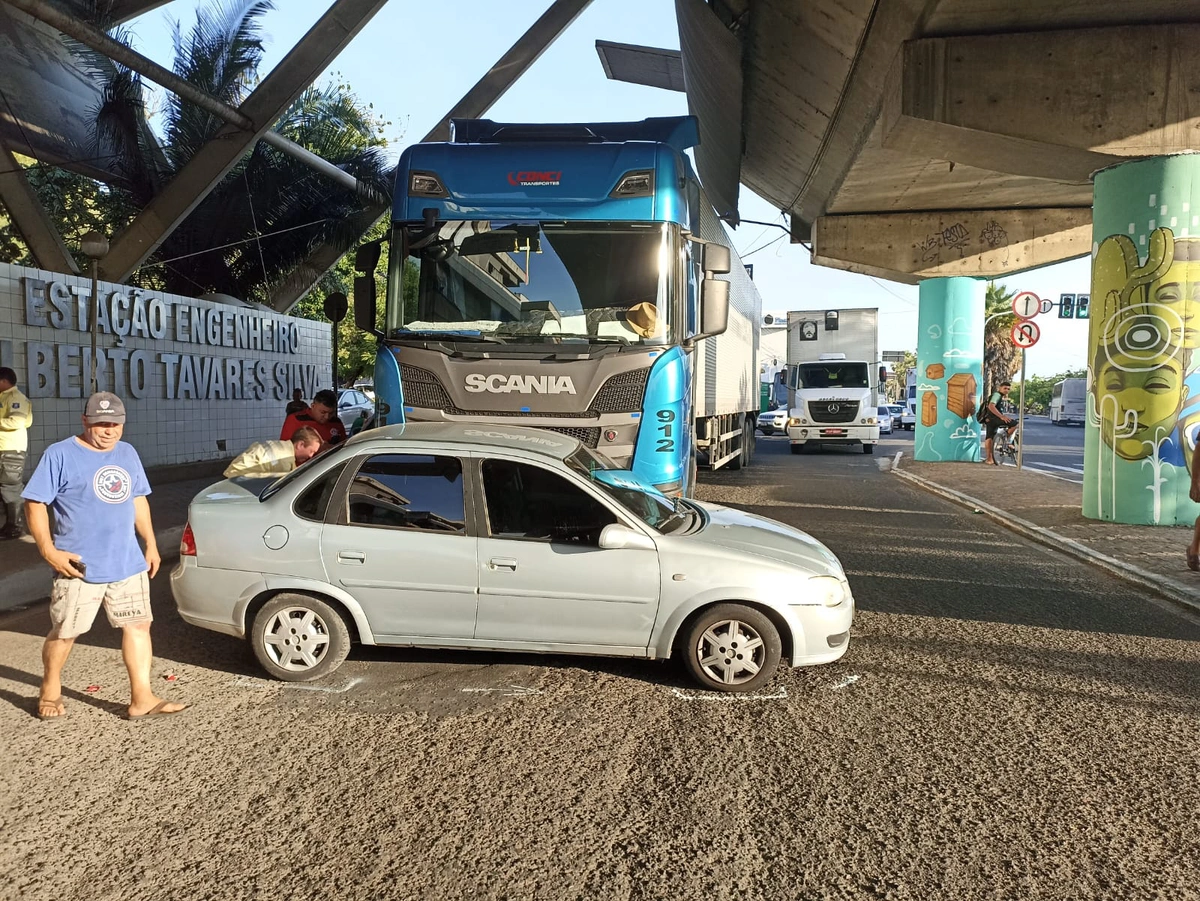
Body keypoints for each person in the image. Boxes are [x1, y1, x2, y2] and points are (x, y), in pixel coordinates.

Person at [23, 392, 186, 721]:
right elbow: (35, 502)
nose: (109, 430)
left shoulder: (127, 453)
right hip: (79, 566)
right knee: (66, 633)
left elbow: (138, 499)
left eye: (115, 424)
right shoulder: (60, 454)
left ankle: (142, 697)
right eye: (101, 424)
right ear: (85, 421)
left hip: (126, 561)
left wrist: (150, 544)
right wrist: (47, 550)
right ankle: (50, 688)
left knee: (139, 626)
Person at [0, 366, 32, 539]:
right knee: (5, 489)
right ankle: (10, 525)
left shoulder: (16, 398)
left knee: (10, 489)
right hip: (3, 449)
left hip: (11, 451)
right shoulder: (3, 397)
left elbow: (17, 422)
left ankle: (15, 527)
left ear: (4, 381)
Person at [223, 427, 323, 479]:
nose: (311, 456)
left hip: (231, 475)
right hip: (237, 482)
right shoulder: (284, 461)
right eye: (311, 451)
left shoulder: (280, 446)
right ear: (300, 445)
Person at [280, 388, 347, 445]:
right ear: (313, 406)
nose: (327, 417)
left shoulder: (336, 423)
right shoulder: (296, 420)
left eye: (331, 413)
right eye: (323, 412)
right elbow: (285, 449)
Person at [982, 381, 1019, 465]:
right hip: (994, 419)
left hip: (989, 419)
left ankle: (989, 459)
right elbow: (991, 406)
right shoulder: (997, 395)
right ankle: (1006, 441)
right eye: (1005, 388)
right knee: (1014, 424)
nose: (1006, 390)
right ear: (1000, 388)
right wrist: (1001, 417)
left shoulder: (998, 396)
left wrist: (1003, 416)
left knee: (989, 437)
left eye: (1008, 389)